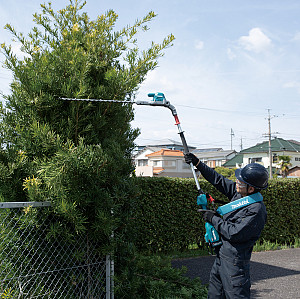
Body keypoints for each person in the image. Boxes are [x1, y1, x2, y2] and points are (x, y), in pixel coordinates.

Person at [184, 153, 268, 299]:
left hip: (235, 264)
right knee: (214, 295)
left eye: (240, 182)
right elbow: (218, 180)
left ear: (251, 189)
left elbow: (234, 233)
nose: (236, 182)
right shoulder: (240, 195)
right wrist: (198, 163)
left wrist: (212, 218)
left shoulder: (256, 210)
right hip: (221, 257)